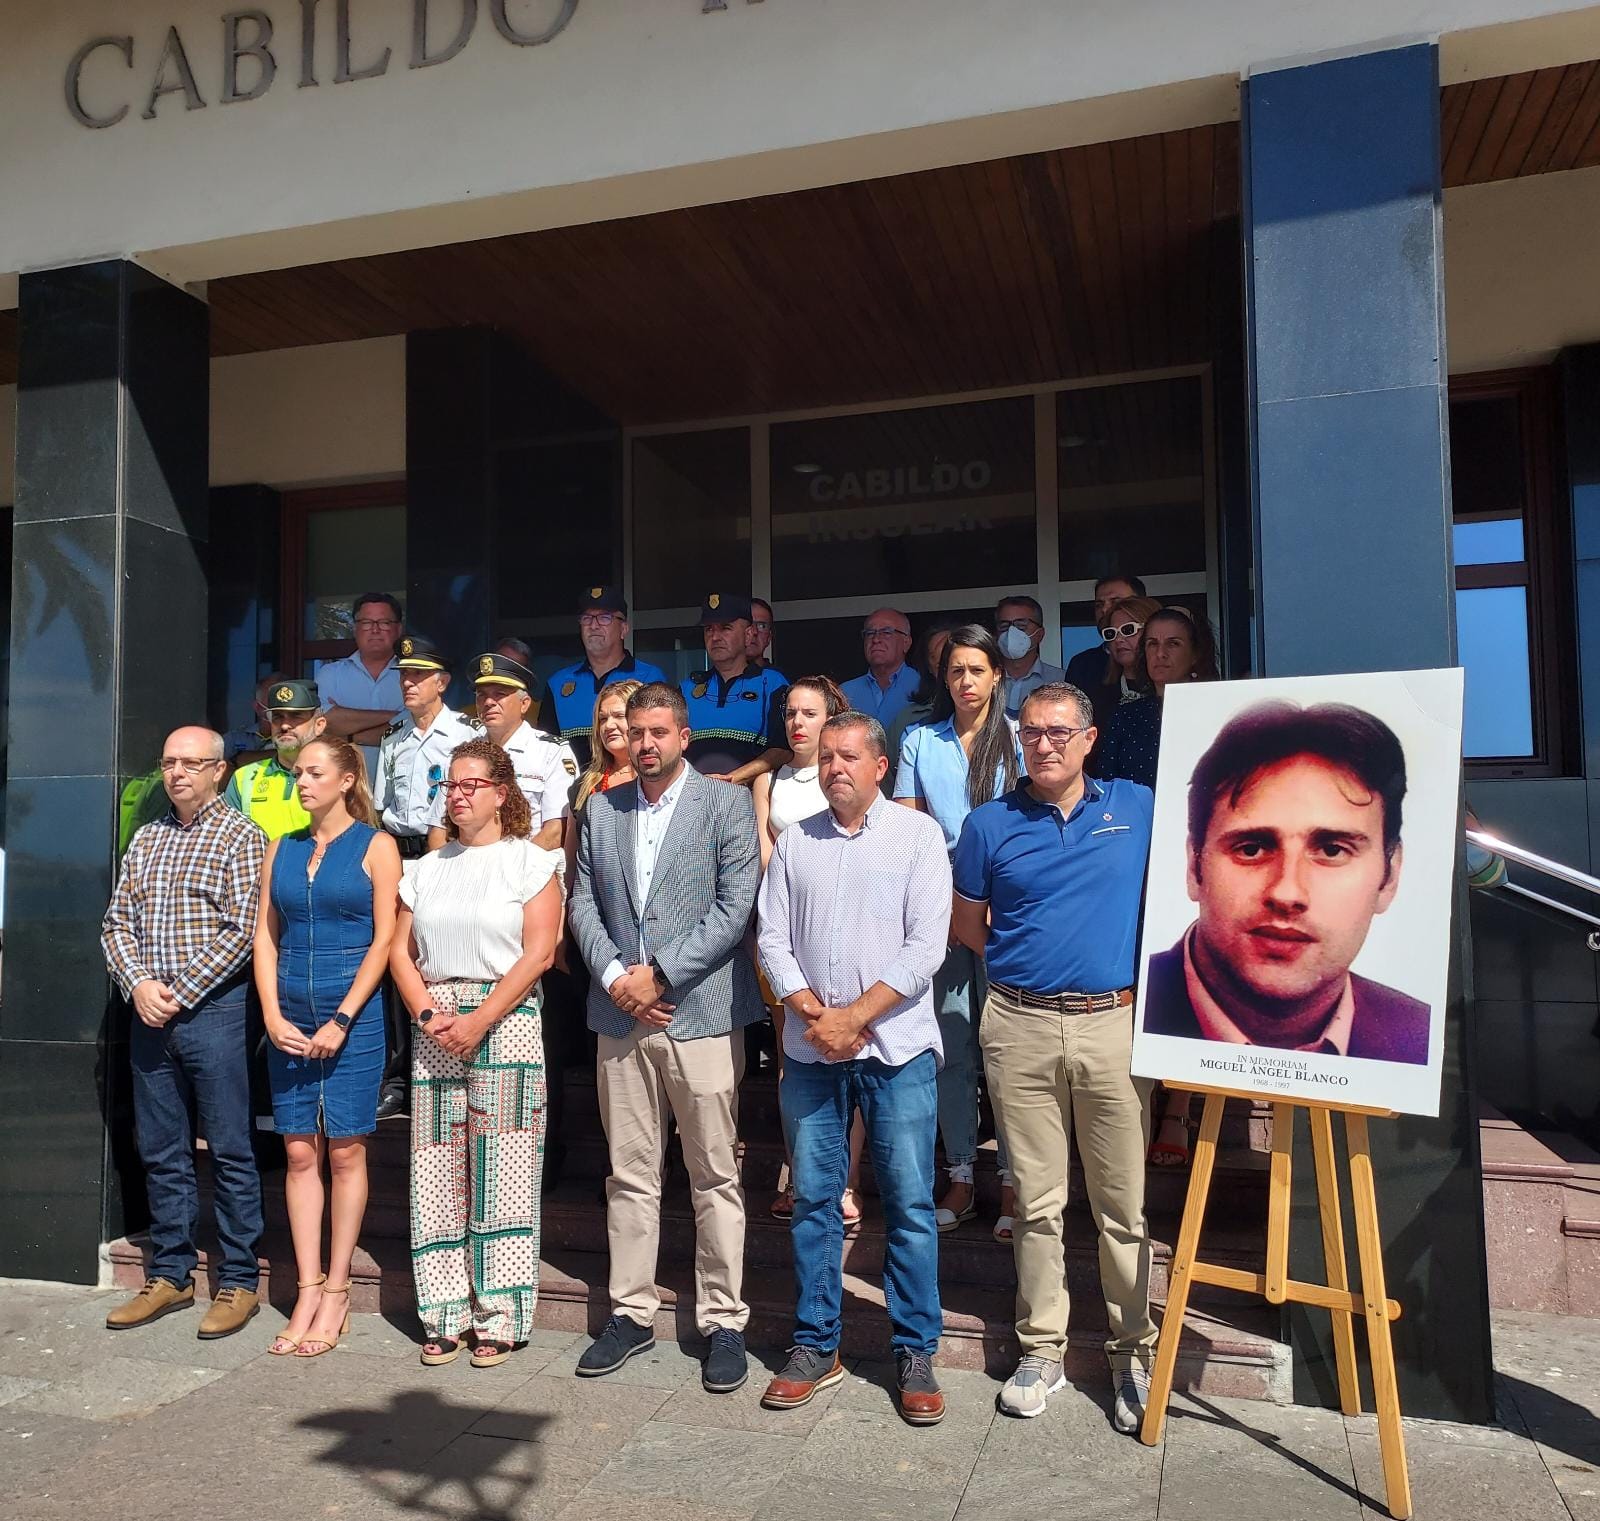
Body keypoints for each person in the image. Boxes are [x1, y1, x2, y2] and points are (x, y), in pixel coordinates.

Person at [951, 682, 1157, 1432]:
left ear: (1089, 738)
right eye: (1033, 732)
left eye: (1059, 732)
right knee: (1036, 1202)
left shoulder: (1136, 806)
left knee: (1122, 1205)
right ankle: (1043, 1349)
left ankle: (1132, 1348)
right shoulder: (988, 823)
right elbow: (968, 923)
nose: (1045, 744)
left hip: (1114, 1023)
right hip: (1021, 1024)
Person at [567, 682, 764, 1394]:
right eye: (634, 730)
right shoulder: (601, 806)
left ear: (683, 734)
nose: (645, 742)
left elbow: (736, 903)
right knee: (631, 1172)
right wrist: (621, 974)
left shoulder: (727, 803)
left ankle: (723, 1320)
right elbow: (581, 899)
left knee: (715, 1173)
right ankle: (631, 1310)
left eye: (658, 731)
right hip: (621, 1014)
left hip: (700, 1013)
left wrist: (662, 975)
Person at [757, 713, 952, 1426]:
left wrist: (855, 1016)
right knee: (813, 1202)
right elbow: (772, 939)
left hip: (895, 1050)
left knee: (907, 1204)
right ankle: (815, 1344)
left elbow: (927, 943)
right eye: (827, 755)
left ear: (880, 767)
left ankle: (915, 1351)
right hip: (813, 1052)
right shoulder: (797, 841)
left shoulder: (917, 836)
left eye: (850, 755)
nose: (836, 765)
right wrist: (817, 1013)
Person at [391, 739, 564, 1368]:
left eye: (471, 783)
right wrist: (433, 1015)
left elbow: (540, 951)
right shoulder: (425, 869)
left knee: (506, 1168)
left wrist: (482, 1017)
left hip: (507, 1020)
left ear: (502, 792)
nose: (458, 794)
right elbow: (399, 953)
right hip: (435, 1022)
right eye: (450, 785)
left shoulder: (530, 863)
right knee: (435, 1171)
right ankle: (443, 1312)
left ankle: (500, 1314)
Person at [1142, 700, 1429, 1063]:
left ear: (1389, 876)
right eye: (1251, 849)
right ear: (1194, 866)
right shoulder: (1131, 1009)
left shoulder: (1419, 1040)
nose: (1286, 892)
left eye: (1332, 849)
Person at [100, 727, 267, 1339]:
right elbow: (117, 921)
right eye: (169, 762)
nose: (177, 773)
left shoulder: (242, 838)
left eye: (191, 763)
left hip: (213, 1013)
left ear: (219, 771)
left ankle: (239, 1281)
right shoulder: (147, 838)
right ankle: (170, 1274)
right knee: (162, 1150)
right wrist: (140, 984)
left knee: (229, 1149)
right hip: (150, 1014)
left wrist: (178, 991)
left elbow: (241, 929)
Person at [253, 737, 400, 1357]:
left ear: (347, 780)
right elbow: (265, 935)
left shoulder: (377, 846)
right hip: (288, 1015)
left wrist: (343, 1017)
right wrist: (270, 1013)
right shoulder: (280, 848)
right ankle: (306, 1286)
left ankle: (337, 1288)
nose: (302, 782)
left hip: (353, 1017)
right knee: (296, 1151)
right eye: (298, 774)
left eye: (314, 773)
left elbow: (386, 937)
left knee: (344, 1152)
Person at [894, 626, 1020, 1239]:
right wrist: (939, 909)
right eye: (955, 671)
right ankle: (963, 1175)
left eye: (976, 669)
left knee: (1010, 1048)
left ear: (998, 674)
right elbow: (913, 834)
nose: (965, 681)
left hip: (1009, 914)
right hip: (943, 913)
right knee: (954, 1042)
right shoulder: (921, 739)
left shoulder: (1023, 739)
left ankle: (1018, 1183)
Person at [752, 676, 866, 1226]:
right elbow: (766, 857)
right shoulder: (769, 780)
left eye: (809, 713)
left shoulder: (848, 776)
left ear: (832, 719)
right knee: (791, 1055)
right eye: (790, 713)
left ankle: (846, 1180)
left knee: (855, 1050)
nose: (797, 722)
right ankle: (801, 1174)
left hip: (847, 935)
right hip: (784, 936)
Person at [427, 652, 576, 853]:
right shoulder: (461, 756)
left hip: (527, 871)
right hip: (467, 870)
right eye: (482, 695)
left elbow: (556, 830)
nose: (488, 702)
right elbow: (439, 829)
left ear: (524, 704)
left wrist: (510, 872)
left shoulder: (550, 752)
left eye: (500, 694)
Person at [1095, 605, 1220, 791]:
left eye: (1173, 643)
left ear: (1195, 654)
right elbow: (1106, 786)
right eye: (1152, 643)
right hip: (1138, 819)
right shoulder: (1125, 717)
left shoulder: (1218, 712)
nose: (1160, 653)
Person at [546, 587, 667, 769]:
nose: (594, 626)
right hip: (569, 791)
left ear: (623, 629)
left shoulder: (649, 678)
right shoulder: (558, 683)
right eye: (587, 618)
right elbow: (546, 750)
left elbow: (660, 742)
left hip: (632, 788)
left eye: (604, 618)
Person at [682, 593, 791, 785]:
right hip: (693, 802)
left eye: (726, 628)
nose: (715, 637)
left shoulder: (773, 684)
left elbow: (784, 749)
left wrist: (731, 780)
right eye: (709, 629)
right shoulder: (686, 688)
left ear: (748, 634)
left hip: (750, 801)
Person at [318, 592, 406, 782]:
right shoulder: (331, 674)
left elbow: (416, 727)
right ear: (355, 628)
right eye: (366, 622)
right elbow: (325, 723)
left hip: (401, 789)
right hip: (343, 790)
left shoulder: (413, 675)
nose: (375, 630)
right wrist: (396, 716)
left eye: (384, 622)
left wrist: (350, 737)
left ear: (398, 629)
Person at [225, 678, 326, 839]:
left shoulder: (337, 776)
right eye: (277, 717)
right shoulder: (243, 778)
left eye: (296, 716)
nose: (285, 725)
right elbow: (228, 840)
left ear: (319, 724)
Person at [1082, 595, 1161, 735]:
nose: (1118, 639)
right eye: (1111, 633)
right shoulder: (1096, 695)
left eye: (1128, 630)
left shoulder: (1169, 689)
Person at [886, 618, 959, 766]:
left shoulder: (998, 720)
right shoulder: (907, 722)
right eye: (941, 665)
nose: (951, 673)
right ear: (930, 669)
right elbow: (888, 781)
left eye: (955, 664)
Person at [1063, 574, 1148, 694]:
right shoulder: (1082, 665)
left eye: (1115, 602)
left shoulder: (1159, 657)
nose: (1104, 610)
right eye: (1099, 605)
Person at [841, 607, 919, 730]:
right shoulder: (844, 693)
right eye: (870, 633)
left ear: (906, 642)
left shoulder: (923, 687)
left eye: (886, 632)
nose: (876, 639)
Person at [996, 594, 1065, 719]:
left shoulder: (1060, 682)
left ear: (1040, 635)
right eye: (1004, 626)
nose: (1011, 632)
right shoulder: (984, 680)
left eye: (1021, 626)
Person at [747, 597, 776, 669]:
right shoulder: (717, 678)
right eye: (748, 624)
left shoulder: (778, 679)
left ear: (769, 637)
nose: (754, 632)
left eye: (762, 626)